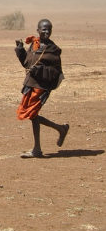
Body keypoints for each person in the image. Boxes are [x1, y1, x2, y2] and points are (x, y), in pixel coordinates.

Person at [15, 19, 69, 158]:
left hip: (42, 86)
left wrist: (38, 70)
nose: (46, 32)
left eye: (49, 29)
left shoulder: (53, 50)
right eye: (43, 29)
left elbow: (56, 72)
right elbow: (26, 63)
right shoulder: (34, 44)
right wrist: (20, 49)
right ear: (38, 30)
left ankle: (37, 150)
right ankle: (60, 129)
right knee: (32, 115)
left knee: (32, 115)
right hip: (31, 83)